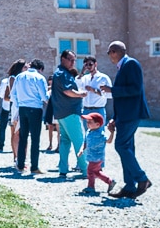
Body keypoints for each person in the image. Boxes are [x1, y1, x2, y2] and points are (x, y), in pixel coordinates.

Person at [101, 40, 152, 199]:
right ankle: (130, 187)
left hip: (131, 114)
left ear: (115, 52)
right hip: (124, 115)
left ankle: (142, 179)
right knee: (127, 148)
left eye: (109, 52)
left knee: (121, 146)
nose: (109, 56)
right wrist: (115, 117)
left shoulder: (131, 64)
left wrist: (112, 90)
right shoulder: (124, 66)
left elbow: (135, 89)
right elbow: (123, 97)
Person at [50, 49, 88, 179]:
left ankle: (63, 169)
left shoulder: (60, 73)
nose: (73, 62)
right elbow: (67, 91)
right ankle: (86, 169)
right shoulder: (62, 74)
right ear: (63, 59)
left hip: (61, 113)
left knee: (65, 141)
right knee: (79, 141)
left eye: (74, 60)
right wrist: (81, 94)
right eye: (71, 60)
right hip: (70, 112)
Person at [10, 59, 49, 174]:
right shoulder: (40, 78)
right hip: (35, 109)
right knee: (35, 139)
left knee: (23, 137)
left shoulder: (19, 77)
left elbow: (13, 94)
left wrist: (18, 107)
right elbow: (44, 96)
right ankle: (34, 167)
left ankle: (20, 165)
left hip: (22, 108)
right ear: (40, 69)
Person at [77, 112, 116, 195]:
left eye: (90, 122)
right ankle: (110, 181)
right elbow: (85, 142)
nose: (87, 124)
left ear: (97, 124)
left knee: (90, 171)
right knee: (96, 172)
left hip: (97, 157)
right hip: (91, 156)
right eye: (87, 122)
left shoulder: (100, 134)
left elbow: (108, 141)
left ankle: (91, 187)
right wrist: (81, 150)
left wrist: (112, 133)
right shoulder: (88, 132)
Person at [0, 59, 26, 152]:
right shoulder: (11, 79)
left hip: (10, 106)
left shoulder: (19, 78)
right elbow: (7, 95)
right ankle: (15, 154)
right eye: (25, 66)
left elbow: (2, 95)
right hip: (12, 106)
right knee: (13, 130)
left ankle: (2, 144)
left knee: (6, 127)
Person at [78, 55, 111, 126]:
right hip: (86, 110)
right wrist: (82, 72)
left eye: (90, 64)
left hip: (98, 110)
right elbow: (77, 86)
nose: (89, 67)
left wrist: (94, 90)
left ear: (95, 64)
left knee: (99, 133)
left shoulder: (104, 78)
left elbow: (110, 94)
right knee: (86, 134)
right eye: (86, 65)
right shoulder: (84, 78)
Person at [43, 75, 58, 152]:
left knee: (59, 128)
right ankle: (50, 144)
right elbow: (45, 99)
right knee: (50, 128)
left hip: (57, 110)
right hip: (50, 109)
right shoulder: (49, 90)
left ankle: (58, 145)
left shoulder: (58, 89)